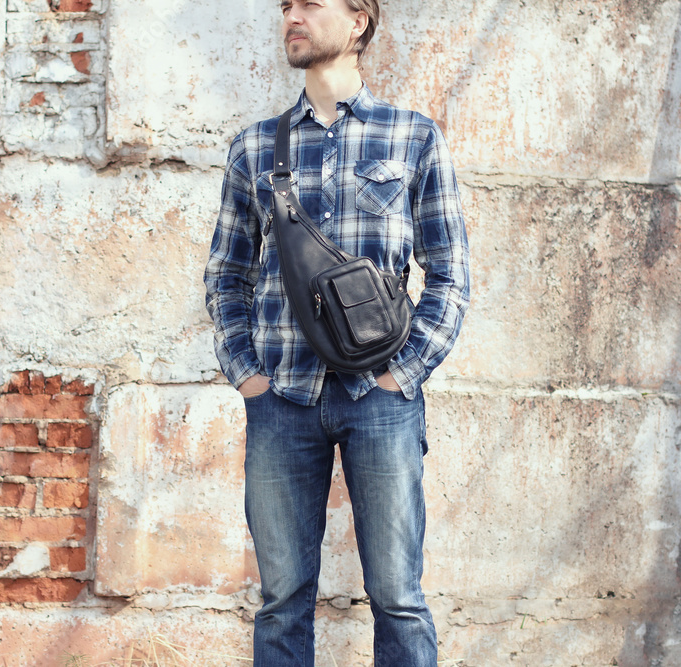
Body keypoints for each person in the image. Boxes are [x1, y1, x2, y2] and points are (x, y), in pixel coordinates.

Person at [203, 0, 469, 664]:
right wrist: (249, 376)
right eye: (285, 6)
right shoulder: (255, 148)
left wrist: (398, 377)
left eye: (309, 4)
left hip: (379, 404)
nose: (291, 16)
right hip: (281, 402)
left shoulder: (413, 138)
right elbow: (225, 275)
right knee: (281, 604)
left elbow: (451, 275)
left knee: (398, 600)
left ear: (359, 21)